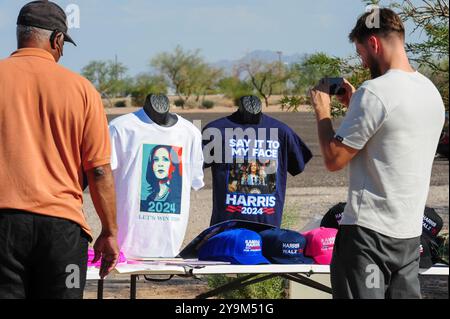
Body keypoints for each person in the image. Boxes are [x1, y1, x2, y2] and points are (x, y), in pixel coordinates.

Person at [309, 8, 445, 299]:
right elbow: (391, 140)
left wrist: (323, 113)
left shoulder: (374, 93)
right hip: (408, 235)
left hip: (367, 235)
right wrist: (354, 107)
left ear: (373, 44)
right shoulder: (430, 93)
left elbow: (334, 159)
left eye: (361, 54)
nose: (362, 61)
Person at [0, 1, 119, 299]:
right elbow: (99, 170)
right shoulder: (83, 91)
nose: (62, 52)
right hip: (62, 233)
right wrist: (109, 232)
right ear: (56, 39)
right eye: (63, 44)